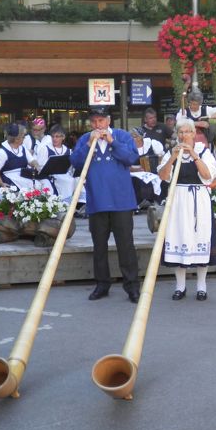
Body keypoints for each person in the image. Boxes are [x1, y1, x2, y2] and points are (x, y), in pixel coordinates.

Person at [70, 107, 140, 304]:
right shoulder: (85, 139)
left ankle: (132, 286)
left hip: (121, 201)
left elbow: (131, 158)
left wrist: (112, 142)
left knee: (126, 245)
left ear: (108, 121)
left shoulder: (122, 135)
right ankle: (102, 284)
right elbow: (75, 162)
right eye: (94, 121)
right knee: (99, 246)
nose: (97, 125)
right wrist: (88, 145)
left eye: (101, 120)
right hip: (97, 199)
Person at [157, 118, 216, 301]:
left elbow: (208, 176)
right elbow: (163, 176)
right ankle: (180, 285)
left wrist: (194, 154)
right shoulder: (171, 152)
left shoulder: (204, 151)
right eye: (181, 132)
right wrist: (173, 157)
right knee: (179, 237)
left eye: (188, 132)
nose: (184, 135)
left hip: (198, 199)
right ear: (177, 134)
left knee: (200, 238)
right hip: (178, 200)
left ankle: (201, 286)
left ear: (194, 134)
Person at [35, 124, 76, 203]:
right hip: (48, 176)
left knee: (73, 180)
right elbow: (39, 166)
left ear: (63, 137)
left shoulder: (68, 151)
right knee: (67, 181)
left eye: (57, 136)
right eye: (53, 136)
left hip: (63, 175)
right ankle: (63, 204)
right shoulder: (45, 149)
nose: (54, 139)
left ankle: (72, 204)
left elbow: (70, 168)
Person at [0, 123, 36, 190]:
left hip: (23, 180)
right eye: (23, 137)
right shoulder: (1, 152)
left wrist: (37, 166)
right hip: (10, 183)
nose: (25, 138)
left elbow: (32, 161)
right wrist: (2, 184)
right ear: (17, 139)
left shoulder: (22, 148)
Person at [129, 127, 165, 209]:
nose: (132, 138)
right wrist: (137, 169)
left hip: (151, 171)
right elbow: (126, 165)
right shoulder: (128, 147)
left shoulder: (152, 143)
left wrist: (158, 165)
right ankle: (138, 202)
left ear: (141, 137)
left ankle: (157, 199)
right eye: (131, 136)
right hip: (134, 171)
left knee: (158, 177)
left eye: (135, 136)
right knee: (136, 180)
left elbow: (162, 156)